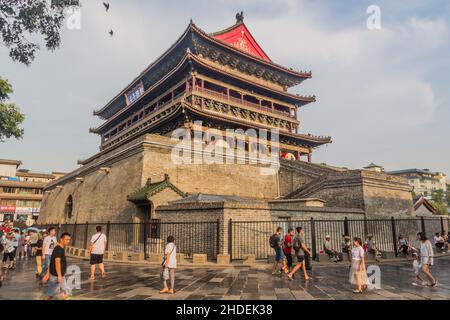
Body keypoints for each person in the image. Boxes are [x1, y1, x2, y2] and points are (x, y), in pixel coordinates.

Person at [43, 232, 71, 300]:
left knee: (50, 294)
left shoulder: (59, 248)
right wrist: (59, 276)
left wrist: (47, 273)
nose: (68, 241)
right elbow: (57, 262)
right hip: (57, 275)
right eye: (66, 239)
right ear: (61, 239)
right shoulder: (59, 249)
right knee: (67, 292)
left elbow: (52, 262)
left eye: (69, 239)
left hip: (55, 275)